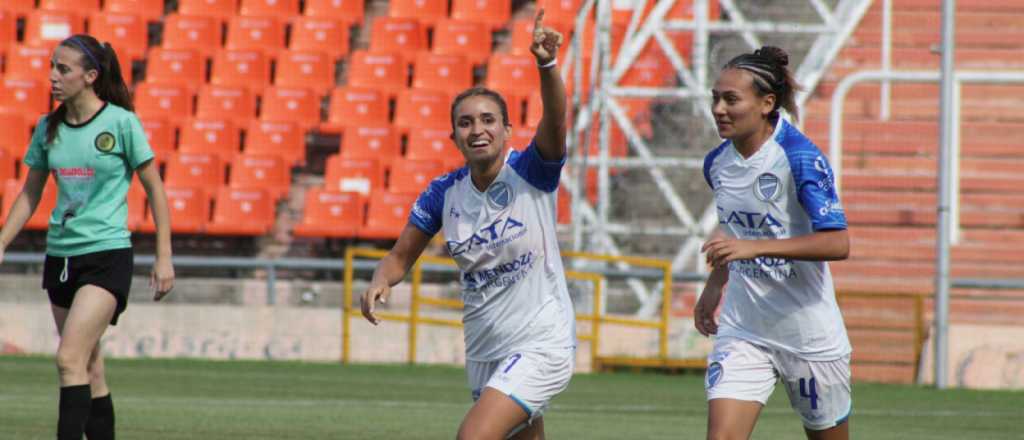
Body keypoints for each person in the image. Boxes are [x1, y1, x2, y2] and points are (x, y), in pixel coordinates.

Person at [360, 10, 573, 440]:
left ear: (508, 130)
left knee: (472, 437)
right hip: (483, 349)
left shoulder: (531, 171)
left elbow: (555, 123)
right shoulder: (443, 193)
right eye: (466, 122)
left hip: (540, 342)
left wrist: (546, 66)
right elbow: (400, 257)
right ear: (453, 137)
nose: (478, 129)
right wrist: (379, 281)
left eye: (488, 120)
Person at [0, 35, 175, 440]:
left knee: (67, 358)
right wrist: (3, 240)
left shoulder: (121, 123)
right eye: (52, 66)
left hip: (106, 255)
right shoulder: (48, 127)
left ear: (90, 76)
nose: (53, 76)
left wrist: (163, 256)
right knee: (90, 369)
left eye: (63, 69)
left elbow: (155, 189)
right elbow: (31, 192)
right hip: (61, 258)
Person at [694, 46, 852, 440]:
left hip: (808, 335)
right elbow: (733, 233)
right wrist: (714, 287)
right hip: (744, 328)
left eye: (731, 99)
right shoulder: (717, 163)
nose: (719, 109)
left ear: (767, 103)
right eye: (715, 97)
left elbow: (838, 244)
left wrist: (755, 247)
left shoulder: (800, 158)